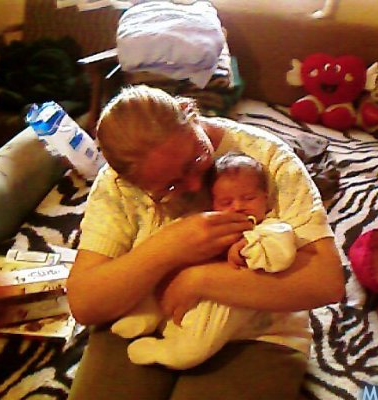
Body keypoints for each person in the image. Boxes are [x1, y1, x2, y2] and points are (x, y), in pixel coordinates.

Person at [64, 85, 344, 400]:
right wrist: (169, 247)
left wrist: (199, 280)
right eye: (170, 186)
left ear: (191, 113)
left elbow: (326, 282)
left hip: (258, 330)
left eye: (196, 159)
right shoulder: (116, 186)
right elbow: (85, 303)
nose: (196, 185)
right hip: (143, 315)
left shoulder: (266, 156)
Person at [110, 152, 299, 369]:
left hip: (226, 305)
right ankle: (147, 314)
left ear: (265, 198)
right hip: (183, 293)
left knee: (194, 349)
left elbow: (281, 255)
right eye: (226, 202)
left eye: (249, 198)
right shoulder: (211, 223)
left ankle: (166, 352)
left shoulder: (270, 228)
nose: (238, 206)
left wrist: (247, 247)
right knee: (163, 277)